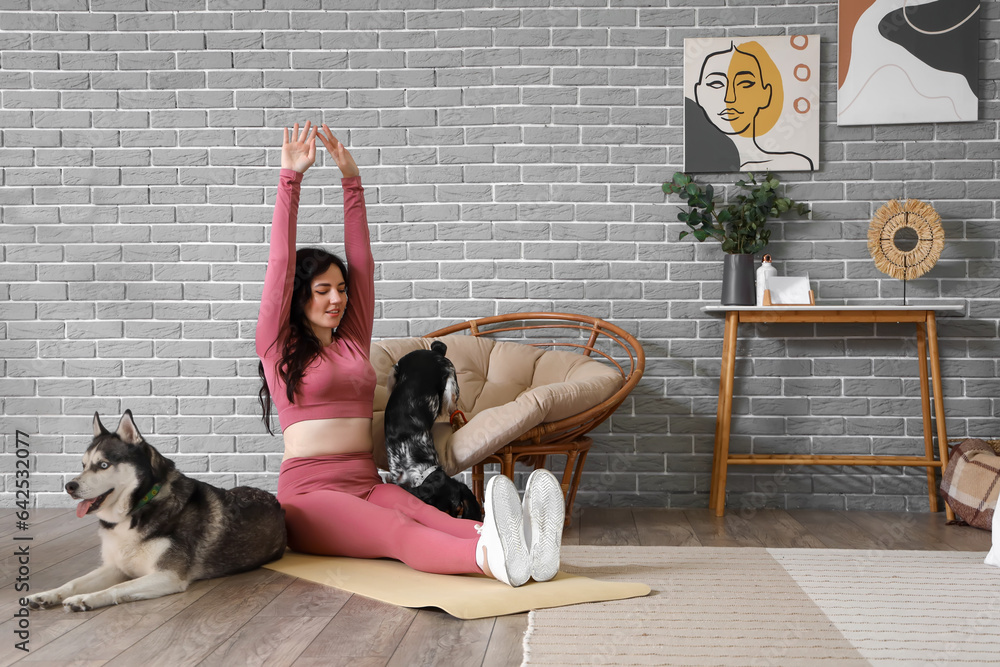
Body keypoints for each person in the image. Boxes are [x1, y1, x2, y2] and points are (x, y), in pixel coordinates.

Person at [255, 121, 563, 587]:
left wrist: (351, 182)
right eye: (323, 291)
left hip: (365, 481)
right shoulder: (277, 345)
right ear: (299, 297)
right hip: (309, 494)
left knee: (431, 516)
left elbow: (365, 265)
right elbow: (280, 263)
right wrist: (290, 178)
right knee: (397, 531)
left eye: (341, 290)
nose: (337, 299)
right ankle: (494, 559)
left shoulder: (352, 339)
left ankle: (526, 544)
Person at [692, 42, 814, 171]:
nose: (729, 98)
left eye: (745, 84)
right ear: (698, 93)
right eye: (716, 83)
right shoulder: (698, 163)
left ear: (765, 94)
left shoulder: (796, 163)